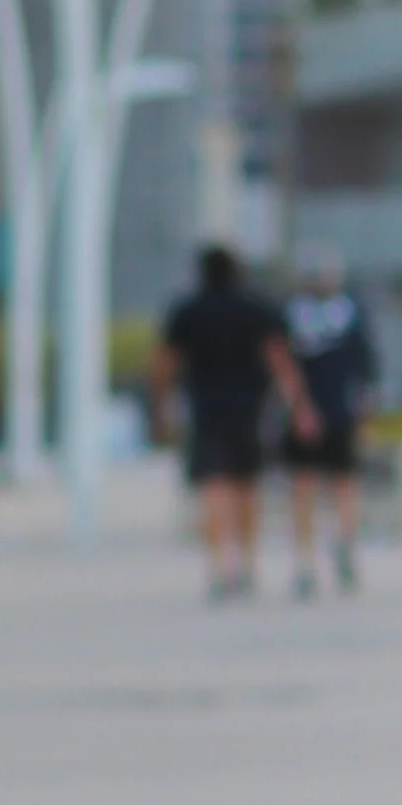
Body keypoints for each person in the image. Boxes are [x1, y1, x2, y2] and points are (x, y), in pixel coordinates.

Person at [151, 242, 314, 597]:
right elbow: (280, 360)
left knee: (214, 488)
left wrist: (160, 408)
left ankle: (216, 569)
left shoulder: (188, 310)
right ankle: (247, 564)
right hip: (250, 410)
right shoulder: (256, 309)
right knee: (247, 487)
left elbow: (165, 365)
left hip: (206, 410)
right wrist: (299, 405)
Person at [282, 254, 377, 595]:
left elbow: (366, 366)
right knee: (304, 486)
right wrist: (297, 406)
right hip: (304, 411)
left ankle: (345, 544)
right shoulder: (292, 317)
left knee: (344, 484)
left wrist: (363, 408)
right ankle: (305, 560)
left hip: (340, 411)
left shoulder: (350, 314)